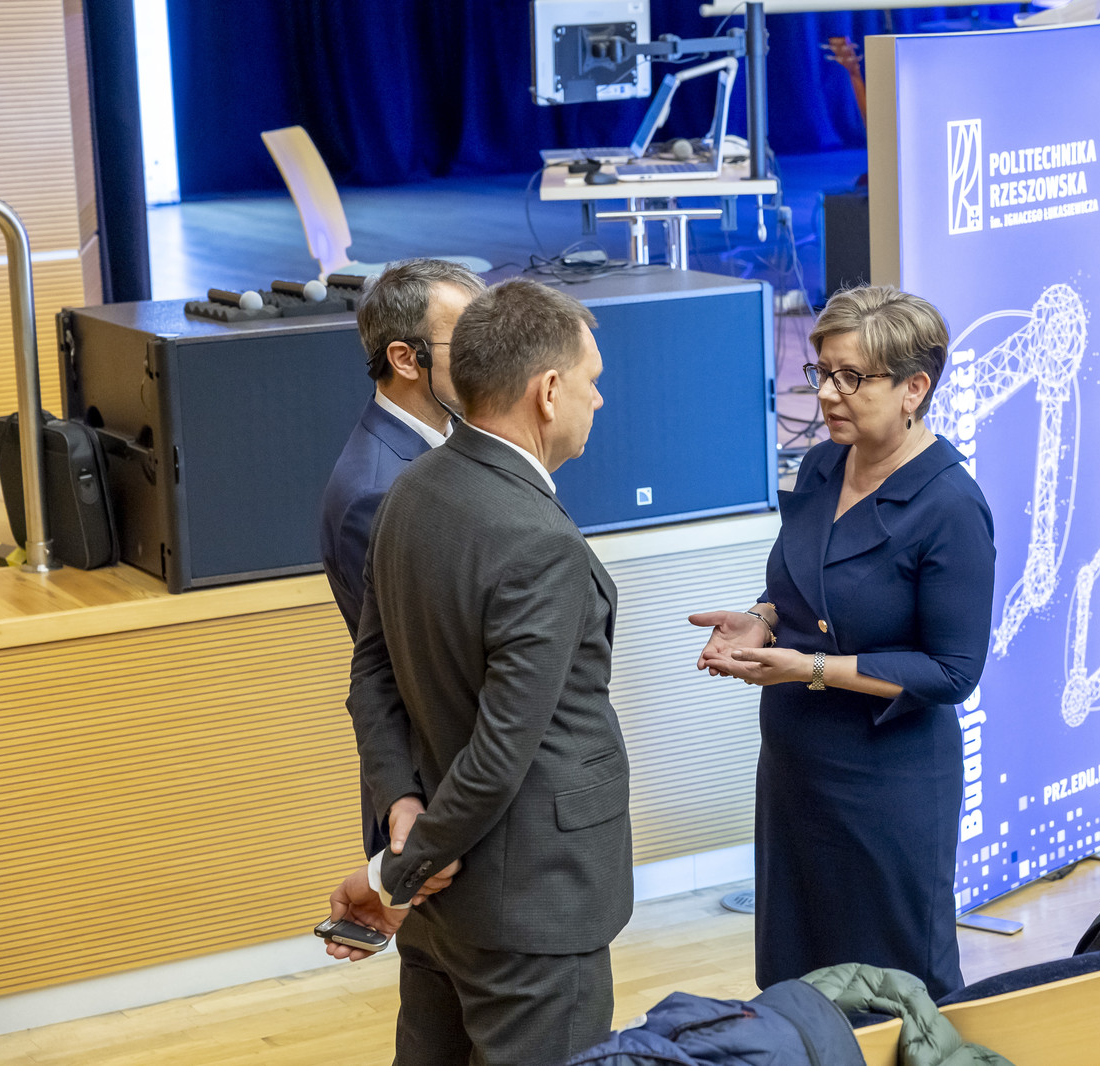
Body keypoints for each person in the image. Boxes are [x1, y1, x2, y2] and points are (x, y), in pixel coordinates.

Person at [322, 279, 631, 1066]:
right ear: (548, 391)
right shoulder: (540, 542)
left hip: (445, 905)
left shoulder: (411, 488)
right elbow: (501, 753)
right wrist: (399, 869)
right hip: (532, 910)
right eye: (592, 380)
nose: (599, 398)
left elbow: (370, 677)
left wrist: (400, 812)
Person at [689, 285, 996, 1000]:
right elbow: (803, 588)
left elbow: (953, 672)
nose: (826, 394)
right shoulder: (825, 463)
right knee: (797, 984)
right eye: (821, 372)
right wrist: (763, 619)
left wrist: (810, 666)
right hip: (797, 769)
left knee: (894, 991)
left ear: (914, 388)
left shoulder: (950, 505)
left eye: (852, 377)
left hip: (886, 784)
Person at [319, 259, 485, 860]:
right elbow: (417, 666)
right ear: (405, 359)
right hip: (434, 794)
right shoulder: (379, 491)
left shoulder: (447, 441)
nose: (491, 357)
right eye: (469, 342)